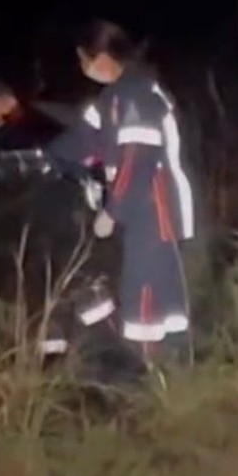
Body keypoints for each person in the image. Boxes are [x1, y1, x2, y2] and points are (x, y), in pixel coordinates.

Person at [52, 19, 196, 363]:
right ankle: (174, 363)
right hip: (141, 201)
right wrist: (37, 158)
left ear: (101, 57)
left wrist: (112, 211)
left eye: (83, 60)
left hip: (154, 199)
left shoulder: (136, 92)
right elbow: (81, 140)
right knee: (160, 283)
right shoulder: (112, 98)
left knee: (145, 284)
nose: (83, 69)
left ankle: (151, 368)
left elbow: (137, 158)